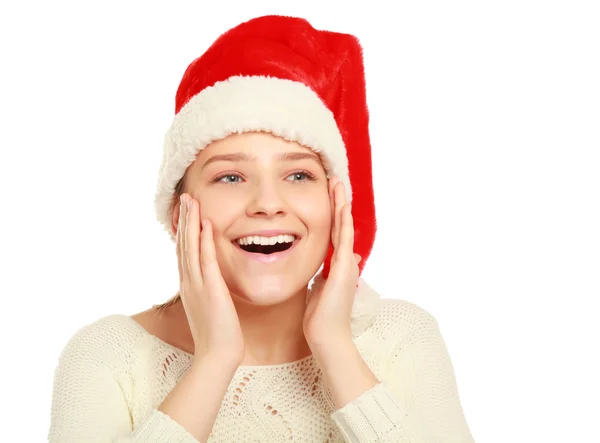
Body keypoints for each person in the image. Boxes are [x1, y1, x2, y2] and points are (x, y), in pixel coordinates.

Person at [48, 15, 475, 443]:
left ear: (337, 203)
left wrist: (335, 347)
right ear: (179, 214)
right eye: (230, 177)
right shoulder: (106, 356)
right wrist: (213, 363)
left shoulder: (400, 338)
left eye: (299, 176)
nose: (268, 204)